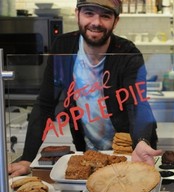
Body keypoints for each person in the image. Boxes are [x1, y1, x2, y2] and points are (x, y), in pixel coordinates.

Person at [8, 0, 162, 177]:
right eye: (89, 13)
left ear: (116, 21)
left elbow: (137, 104)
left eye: (105, 15)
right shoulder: (63, 47)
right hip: (88, 154)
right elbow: (45, 104)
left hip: (132, 153)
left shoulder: (128, 54)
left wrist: (142, 141)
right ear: (77, 15)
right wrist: (27, 159)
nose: (96, 22)